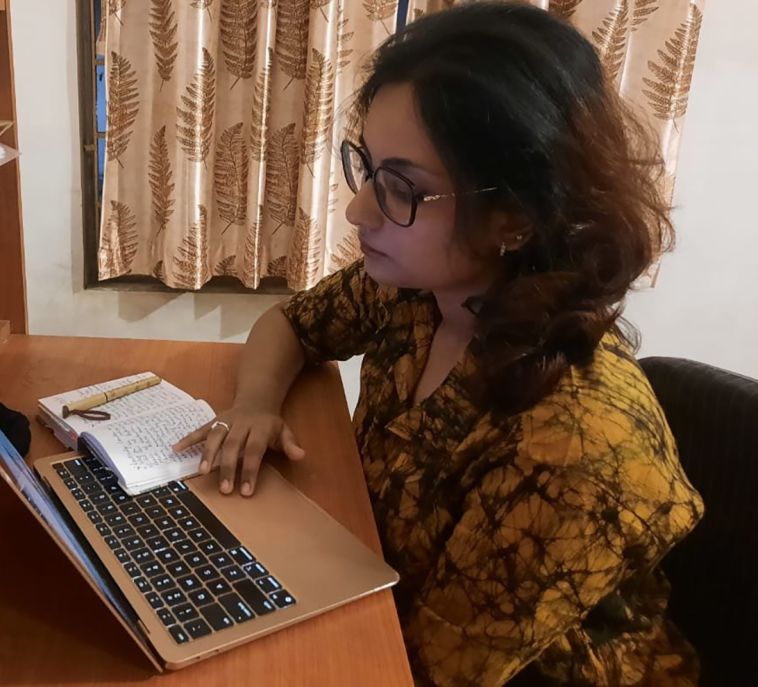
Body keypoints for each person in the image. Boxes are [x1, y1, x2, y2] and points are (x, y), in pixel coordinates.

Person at [173, 3, 704, 685]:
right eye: (367, 168)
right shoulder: (420, 292)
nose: (358, 209)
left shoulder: (574, 440)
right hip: (368, 600)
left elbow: (425, 668)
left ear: (513, 217)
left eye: (402, 188)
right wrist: (253, 403)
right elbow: (295, 323)